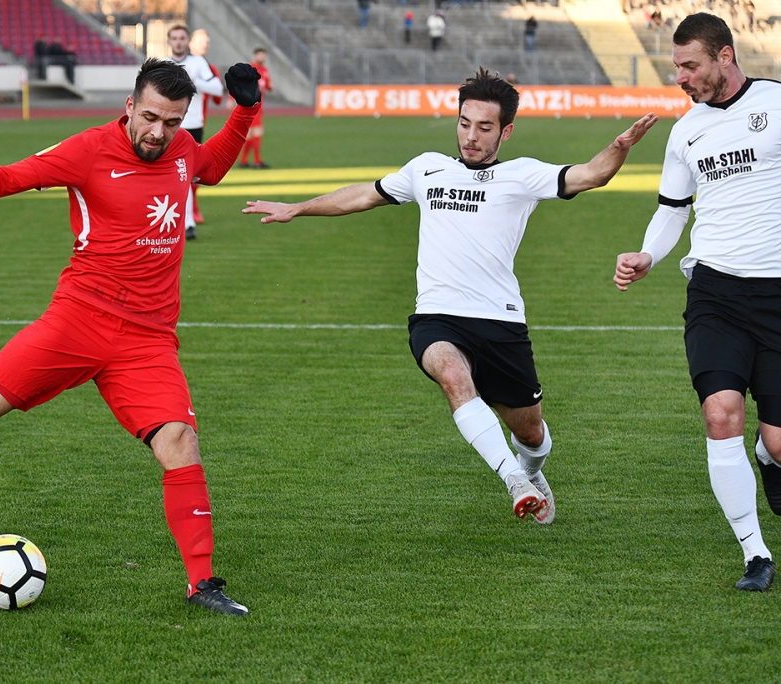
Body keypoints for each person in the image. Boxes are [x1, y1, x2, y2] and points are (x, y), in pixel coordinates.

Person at [0, 58, 264, 616]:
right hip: (79, 319)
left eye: (172, 122)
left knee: (179, 442)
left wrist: (245, 109)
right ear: (130, 106)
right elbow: (13, 176)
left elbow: (211, 166)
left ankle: (202, 584)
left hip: (148, 339)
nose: (160, 132)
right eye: (151, 117)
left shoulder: (180, 149)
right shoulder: (89, 149)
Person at [245, 68, 656, 525]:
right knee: (453, 376)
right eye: (464, 123)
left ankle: (531, 470)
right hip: (437, 316)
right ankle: (514, 481)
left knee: (531, 433)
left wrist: (619, 146)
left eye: (484, 127)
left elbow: (592, 174)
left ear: (505, 132)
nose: (471, 136)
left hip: (500, 320)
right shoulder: (427, 168)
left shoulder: (522, 175)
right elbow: (364, 195)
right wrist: (298, 208)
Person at [614, 12, 781, 592]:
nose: (680, 77)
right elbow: (672, 210)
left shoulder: (777, 105)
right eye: (676, 67)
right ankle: (755, 554)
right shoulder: (686, 133)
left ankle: (769, 456)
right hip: (715, 293)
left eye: (690, 66)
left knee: (778, 440)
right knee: (720, 414)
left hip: (777, 292)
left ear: (724, 56)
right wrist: (647, 255)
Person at [167, 24, 224, 241]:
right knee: (166, 174)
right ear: (169, 41)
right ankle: (173, 220)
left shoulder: (198, 63)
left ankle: (188, 222)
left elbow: (218, 89)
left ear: (187, 41)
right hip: (168, 125)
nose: (178, 42)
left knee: (188, 175)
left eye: (182, 38)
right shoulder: (163, 64)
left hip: (192, 126)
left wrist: (195, 81)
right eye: (174, 38)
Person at [187, 29, 223, 226]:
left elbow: (218, 98)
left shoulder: (210, 68)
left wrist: (201, 84)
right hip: (181, 121)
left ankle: (192, 208)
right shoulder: (181, 63)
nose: (205, 44)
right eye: (201, 41)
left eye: (207, 41)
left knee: (194, 168)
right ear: (191, 43)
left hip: (197, 123)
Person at [239, 48, 273, 169]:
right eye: (259, 55)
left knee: (250, 134)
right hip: (250, 105)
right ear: (254, 56)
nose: (261, 57)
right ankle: (257, 161)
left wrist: (270, 87)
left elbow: (267, 85)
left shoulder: (265, 70)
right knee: (257, 131)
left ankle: (243, 161)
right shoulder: (250, 69)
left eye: (263, 55)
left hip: (258, 106)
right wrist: (231, 99)